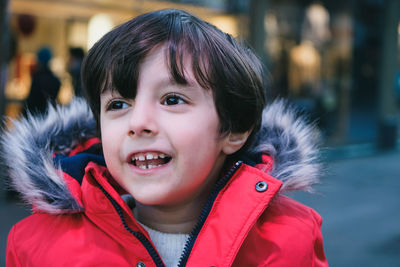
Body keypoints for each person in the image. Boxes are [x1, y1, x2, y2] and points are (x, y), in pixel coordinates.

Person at [2, 9, 328, 266]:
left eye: (172, 99)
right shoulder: (37, 247)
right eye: (117, 104)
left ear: (233, 129)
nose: (138, 122)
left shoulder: (290, 241)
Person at [24, 46, 61, 115]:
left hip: (35, 115)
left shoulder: (37, 78)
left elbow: (31, 101)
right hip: (49, 116)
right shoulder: (55, 80)